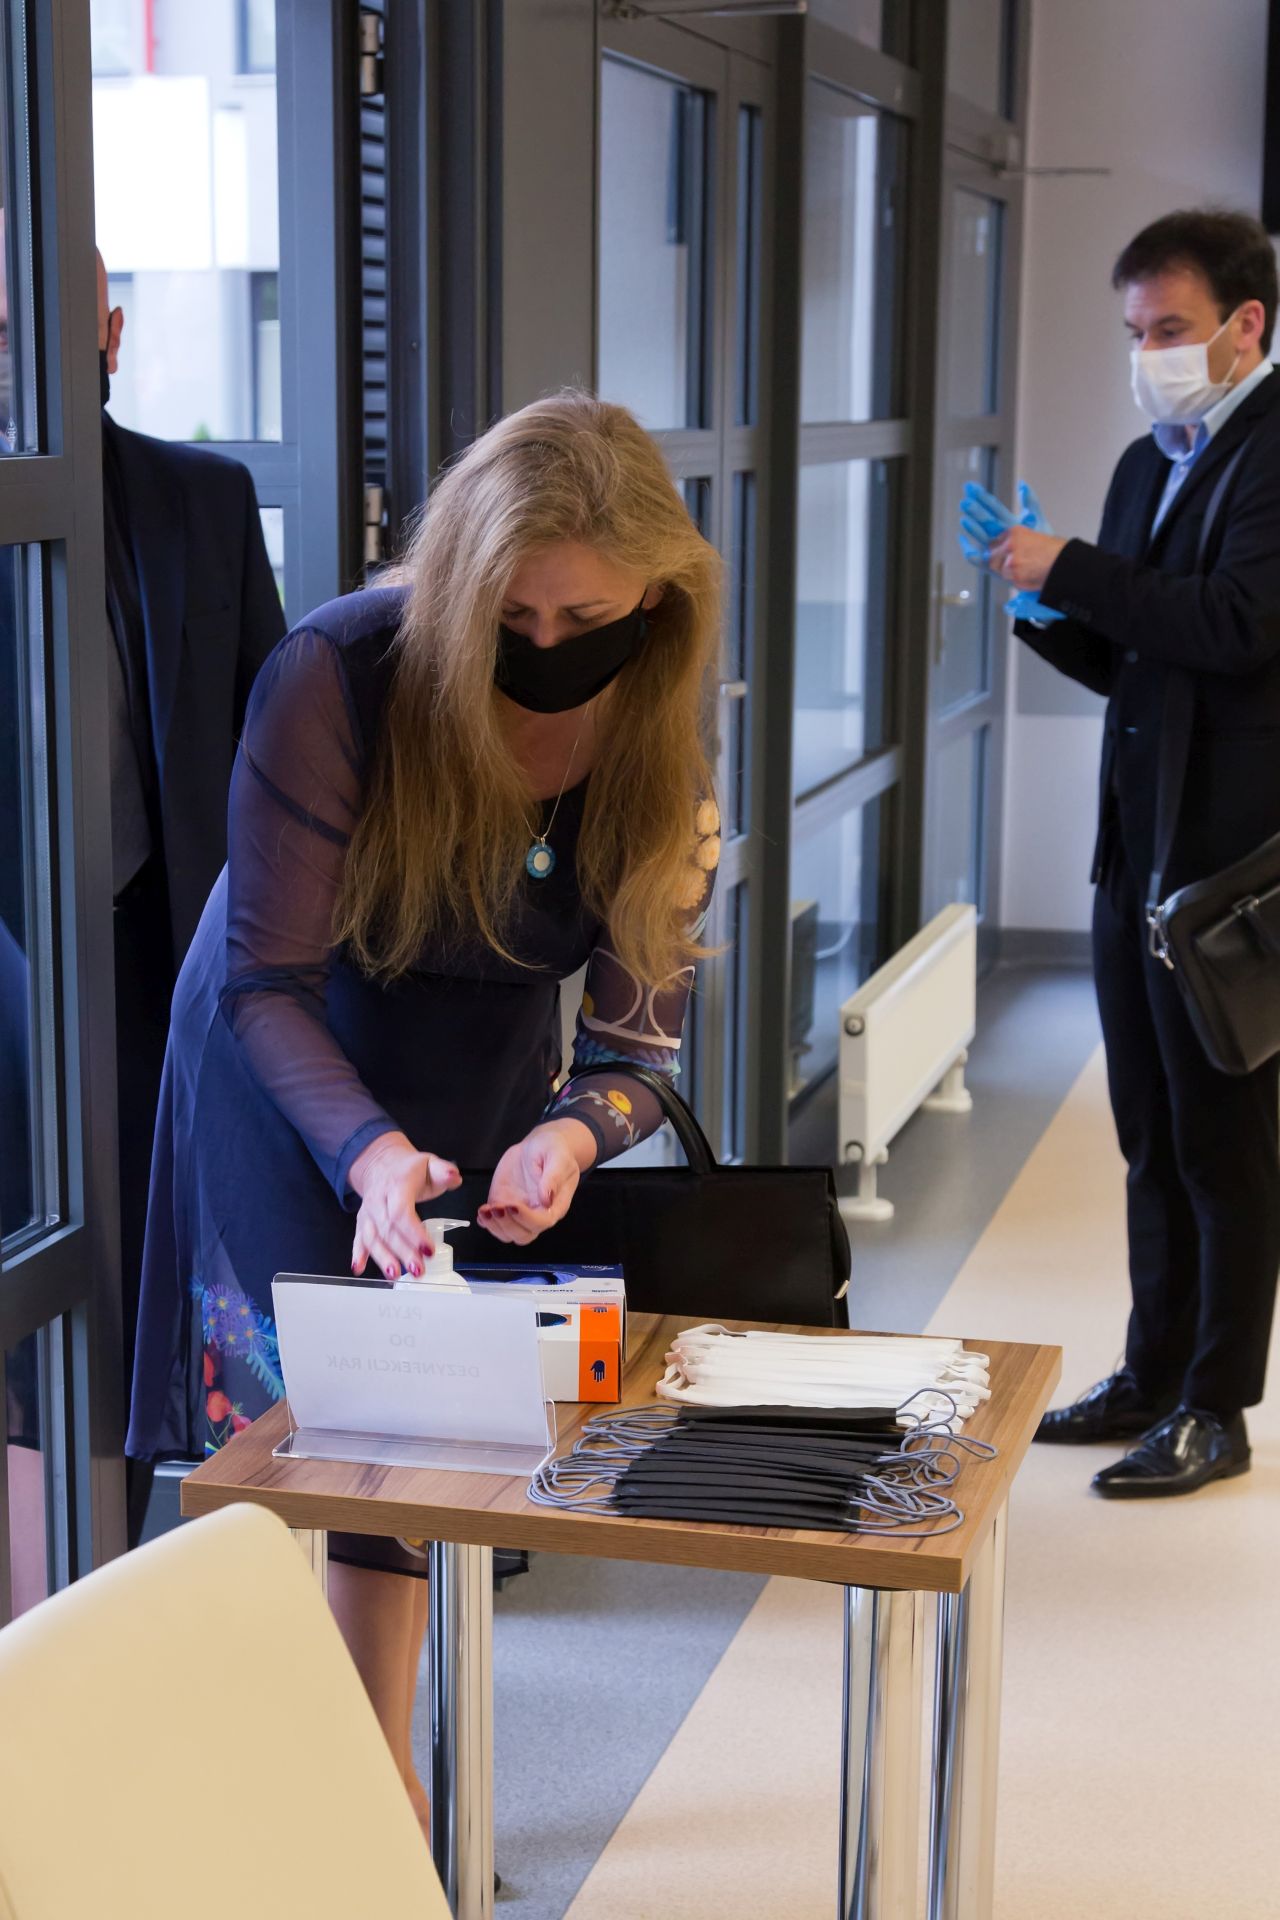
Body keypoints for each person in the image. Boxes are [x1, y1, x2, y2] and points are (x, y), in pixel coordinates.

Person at [126, 389, 722, 1829]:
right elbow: (267, 979)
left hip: (478, 1072)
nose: (548, 648)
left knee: (419, 1426)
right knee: (295, 1420)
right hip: (291, 1064)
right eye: (513, 618)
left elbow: (639, 1046)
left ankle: (376, 1778)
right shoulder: (339, 676)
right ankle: (307, 1784)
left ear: (654, 601)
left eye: (586, 619)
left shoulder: (658, 738)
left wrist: (567, 1135)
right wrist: (371, 1153)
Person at [961, 208, 1280, 1499]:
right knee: (1148, 1132)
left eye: (1171, 330)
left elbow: (1239, 624)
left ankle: (1216, 1403)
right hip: (1134, 856)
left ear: (1247, 325)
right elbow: (1135, 656)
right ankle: (1151, 1373)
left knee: (1224, 1144)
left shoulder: (1273, 452)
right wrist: (1044, 600)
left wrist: (1079, 568)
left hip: (1228, 872)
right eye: (1136, 332)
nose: (1148, 356)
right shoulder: (1152, 462)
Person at [95, 251, 286, 1542]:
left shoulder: (203, 500)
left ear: (109, 329)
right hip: (19, 967)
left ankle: (150, 1563)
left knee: (162, 1286)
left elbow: (276, 735)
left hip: (166, 963)